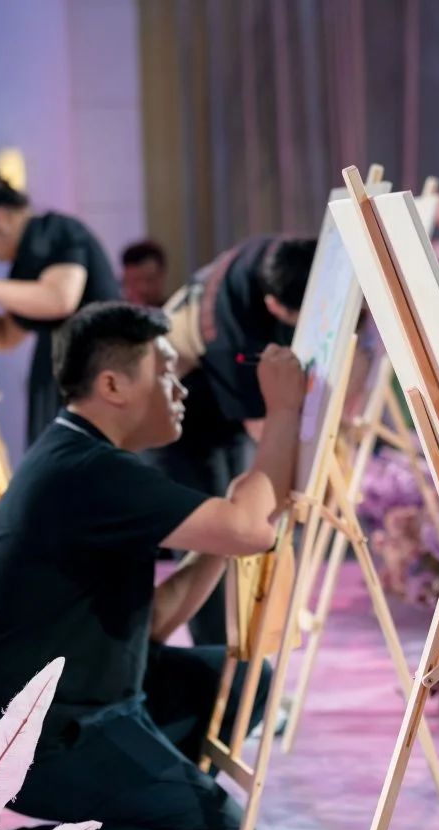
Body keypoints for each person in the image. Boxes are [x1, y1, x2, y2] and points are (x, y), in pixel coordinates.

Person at [0, 302, 305, 830]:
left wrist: (222, 541)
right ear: (113, 385)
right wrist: (283, 409)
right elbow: (250, 528)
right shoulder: (88, 469)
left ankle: (151, 810)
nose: (181, 388)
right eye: (165, 372)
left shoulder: (85, 454)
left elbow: (155, 621)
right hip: (39, 740)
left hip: (80, 702)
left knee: (242, 682)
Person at [155, 235, 315, 644]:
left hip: (218, 406)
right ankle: (216, 654)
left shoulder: (281, 256)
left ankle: (241, 643)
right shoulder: (230, 330)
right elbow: (265, 430)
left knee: (243, 519)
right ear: (274, 306)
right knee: (219, 534)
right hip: (180, 423)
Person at [0, 160, 121, 447]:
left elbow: (59, 299)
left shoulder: (57, 231)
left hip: (94, 373)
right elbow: (4, 336)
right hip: (59, 378)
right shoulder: (25, 259)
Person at [121, 239, 170, 307]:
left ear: (162, 276)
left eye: (149, 280)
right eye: (135, 280)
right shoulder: (113, 312)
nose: (143, 288)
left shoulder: (175, 312)